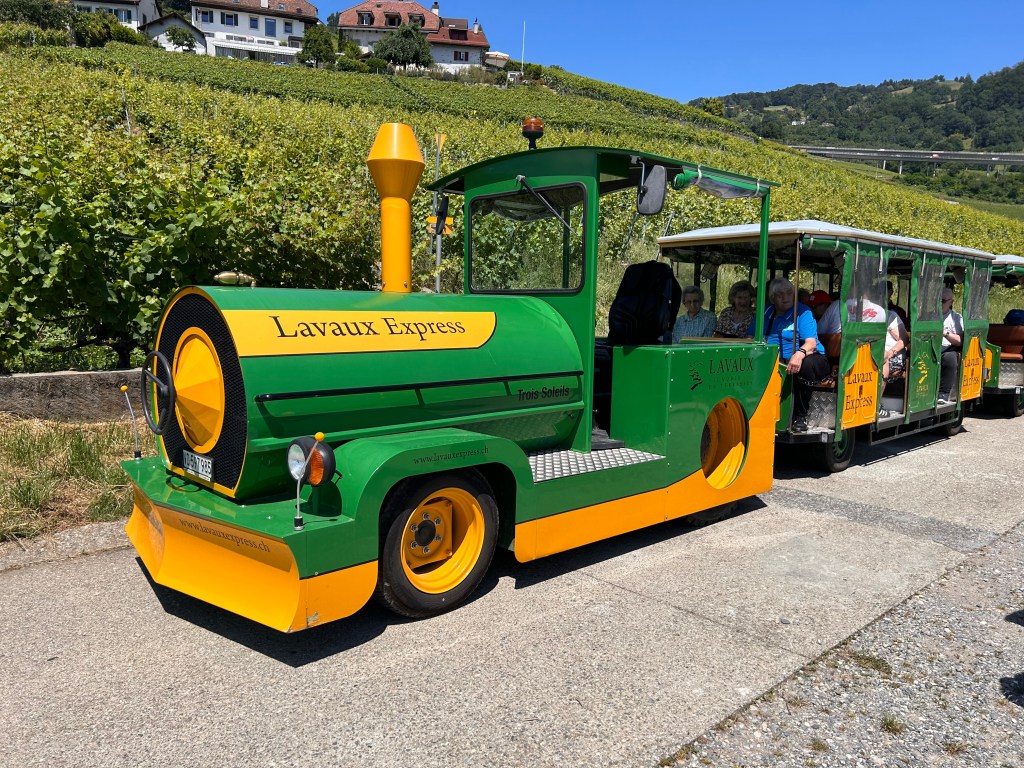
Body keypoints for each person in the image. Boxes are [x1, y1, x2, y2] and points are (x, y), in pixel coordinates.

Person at [748, 277, 828, 433]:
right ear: (772, 298)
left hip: (811, 358)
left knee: (805, 364)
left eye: (789, 293)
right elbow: (750, 337)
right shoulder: (765, 311)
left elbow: (811, 343)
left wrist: (799, 354)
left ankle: (800, 415)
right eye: (780, 294)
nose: (785, 297)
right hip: (774, 359)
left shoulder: (802, 312)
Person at [938, 287, 964, 402]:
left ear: (951, 302)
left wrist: (945, 333)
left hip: (947, 349)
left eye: (943, 301)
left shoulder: (956, 318)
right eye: (937, 300)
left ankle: (943, 393)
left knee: (949, 358)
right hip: (928, 347)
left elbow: (960, 340)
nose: (939, 303)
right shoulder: (928, 316)